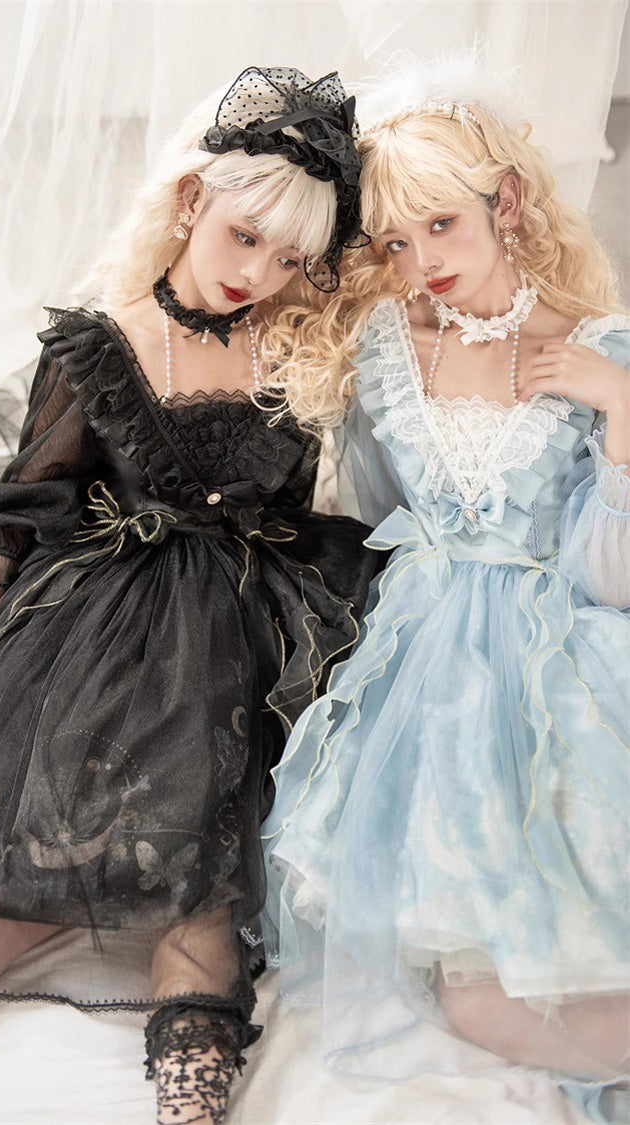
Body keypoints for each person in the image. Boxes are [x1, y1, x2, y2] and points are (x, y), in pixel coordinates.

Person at [0, 66, 378, 1124]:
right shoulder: (100, 345)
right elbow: (19, 508)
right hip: (99, 618)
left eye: (290, 259)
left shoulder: (295, 346)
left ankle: (189, 1086)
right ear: (192, 200)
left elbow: (290, 507)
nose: (259, 274)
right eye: (245, 238)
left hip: (243, 618)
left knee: (201, 907)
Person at [261, 59, 629, 1124]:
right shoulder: (385, 353)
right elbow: (380, 519)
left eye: (442, 226)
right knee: (469, 992)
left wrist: (622, 415)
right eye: (393, 243)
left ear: (504, 201)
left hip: (564, 653)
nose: (423, 265)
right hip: (427, 669)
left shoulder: (596, 351)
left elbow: (610, 579)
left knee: (567, 932)